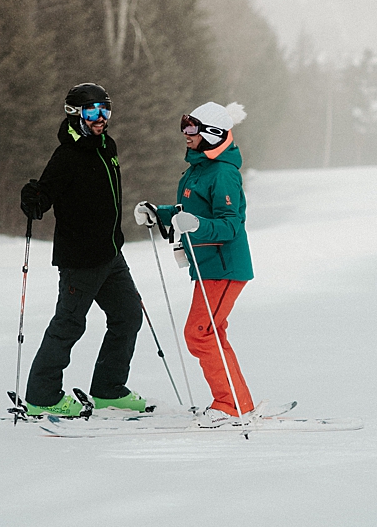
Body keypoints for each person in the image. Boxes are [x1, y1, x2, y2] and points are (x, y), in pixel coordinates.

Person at [17, 83, 149, 416]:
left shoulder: (107, 146)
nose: (101, 118)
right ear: (76, 114)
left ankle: (108, 389)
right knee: (69, 324)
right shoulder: (67, 157)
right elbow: (43, 198)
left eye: (106, 110)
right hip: (81, 260)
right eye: (93, 112)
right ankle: (42, 396)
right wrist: (33, 198)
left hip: (110, 254)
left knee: (128, 316)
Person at [135, 101, 255, 427]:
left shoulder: (224, 173)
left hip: (224, 267)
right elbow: (185, 212)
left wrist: (198, 225)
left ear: (212, 134)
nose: (185, 135)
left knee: (199, 334)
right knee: (209, 333)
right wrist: (158, 213)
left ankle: (231, 406)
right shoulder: (199, 169)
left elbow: (231, 225)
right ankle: (238, 403)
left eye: (192, 129)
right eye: (185, 128)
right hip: (207, 266)